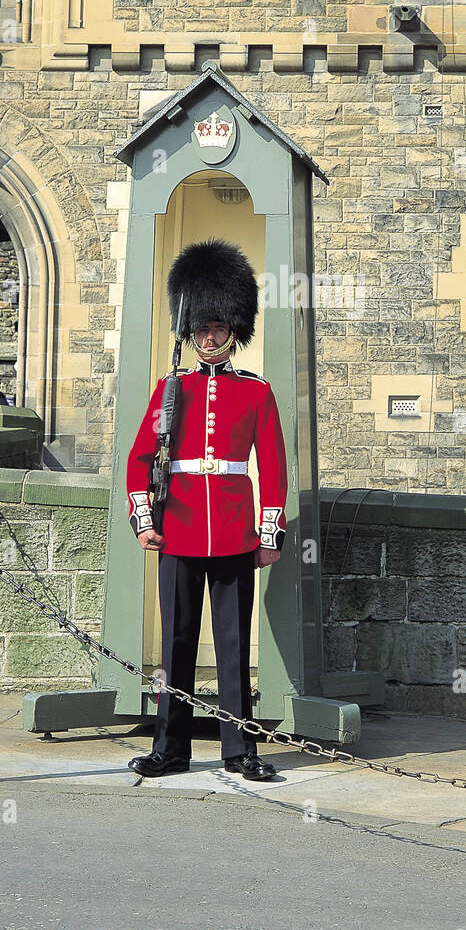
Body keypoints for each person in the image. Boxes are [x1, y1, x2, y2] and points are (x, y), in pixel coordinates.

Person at [124, 239, 287, 784]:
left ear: (233, 331)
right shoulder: (173, 388)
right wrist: (145, 521)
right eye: (201, 328)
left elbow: (274, 470)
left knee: (235, 647)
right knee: (176, 644)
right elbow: (140, 457)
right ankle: (171, 747)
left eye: (218, 328)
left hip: (238, 534)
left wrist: (269, 533)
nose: (209, 337)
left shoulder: (256, 393)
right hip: (180, 531)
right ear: (190, 331)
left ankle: (239, 749)